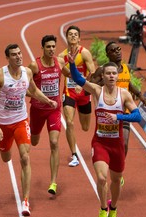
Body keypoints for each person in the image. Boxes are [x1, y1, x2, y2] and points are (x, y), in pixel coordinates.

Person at [68, 51, 142, 217]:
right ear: (103, 76)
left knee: (116, 180)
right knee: (101, 178)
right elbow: (79, 80)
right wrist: (71, 64)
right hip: (100, 142)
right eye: (107, 73)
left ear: (117, 76)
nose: (110, 76)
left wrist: (119, 118)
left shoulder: (124, 95)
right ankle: (103, 208)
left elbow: (138, 116)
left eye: (114, 73)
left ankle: (113, 208)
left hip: (116, 145)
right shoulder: (97, 90)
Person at [0, 44, 57, 216]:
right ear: (8, 58)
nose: (18, 57)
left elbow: (33, 91)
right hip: (4, 124)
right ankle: (5, 146)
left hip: (20, 120)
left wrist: (48, 101)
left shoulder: (27, 72)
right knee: (6, 157)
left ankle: (25, 201)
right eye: (14, 55)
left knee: (25, 157)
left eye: (20, 53)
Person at [90, 41, 146, 186]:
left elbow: (128, 83)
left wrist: (139, 95)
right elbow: (91, 84)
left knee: (125, 143)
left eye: (118, 49)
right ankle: (110, 166)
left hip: (124, 112)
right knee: (109, 142)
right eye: (113, 50)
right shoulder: (102, 70)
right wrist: (103, 85)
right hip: (108, 112)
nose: (118, 51)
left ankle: (117, 169)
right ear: (107, 54)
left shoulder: (125, 68)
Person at [28, 35, 70, 195]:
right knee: (35, 140)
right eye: (48, 47)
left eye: (54, 46)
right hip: (37, 110)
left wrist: (85, 83)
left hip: (54, 109)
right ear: (43, 48)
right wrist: (38, 97)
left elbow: (70, 75)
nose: (52, 49)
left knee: (54, 143)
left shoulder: (59, 62)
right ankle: (34, 134)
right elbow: (25, 86)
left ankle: (53, 182)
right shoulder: (34, 66)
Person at [58, 25, 95, 167]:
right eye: (70, 34)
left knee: (85, 127)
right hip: (69, 93)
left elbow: (92, 72)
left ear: (79, 38)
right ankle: (74, 154)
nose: (73, 36)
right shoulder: (62, 57)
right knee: (69, 122)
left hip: (84, 92)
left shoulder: (84, 53)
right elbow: (64, 73)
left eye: (75, 34)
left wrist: (83, 83)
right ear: (66, 37)